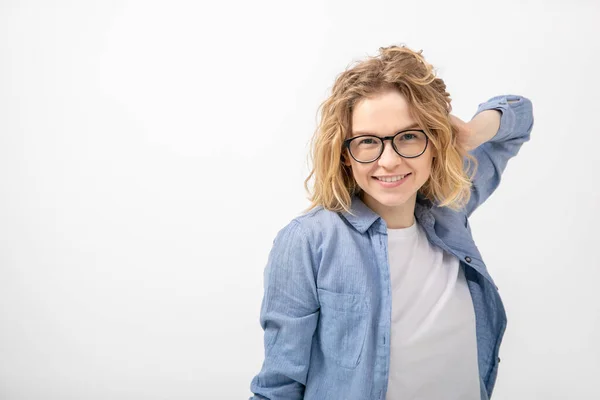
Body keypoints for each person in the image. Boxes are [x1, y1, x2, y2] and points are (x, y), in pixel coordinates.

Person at [248, 45, 534, 400]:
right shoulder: (309, 240)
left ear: (434, 143)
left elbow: (520, 115)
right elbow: (278, 386)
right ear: (344, 154)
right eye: (368, 141)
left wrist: (470, 134)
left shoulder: (450, 206)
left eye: (409, 136)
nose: (390, 161)